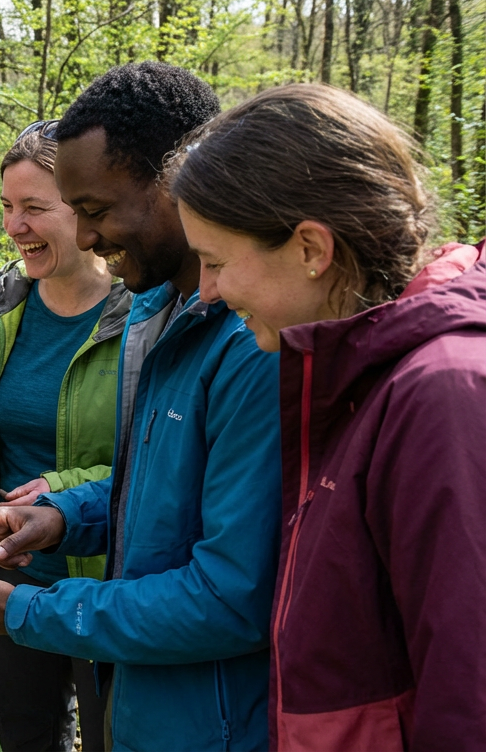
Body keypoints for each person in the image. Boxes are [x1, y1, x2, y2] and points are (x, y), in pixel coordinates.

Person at [0, 62, 283, 751]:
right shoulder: (158, 313)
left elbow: (230, 597)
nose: (86, 238)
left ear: (179, 183)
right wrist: (64, 515)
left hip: (209, 720)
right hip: (142, 691)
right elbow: (159, 488)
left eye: (93, 211)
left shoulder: (249, 339)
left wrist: (31, 609)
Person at [168, 83, 486, 750]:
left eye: (217, 262)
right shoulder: (351, 372)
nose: (208, 292)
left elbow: (468, 693)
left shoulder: (441, 393)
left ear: (312, 248)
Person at [0, 120, 130, 752]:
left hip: (109, 578)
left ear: (82, 213)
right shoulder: (0, 300)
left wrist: (58, 490)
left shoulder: (141, 315)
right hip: (13, 574)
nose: (13, 226)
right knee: (26, 736)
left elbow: (151, 461)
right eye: (5, 207)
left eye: (34, 208)